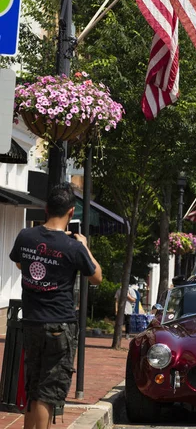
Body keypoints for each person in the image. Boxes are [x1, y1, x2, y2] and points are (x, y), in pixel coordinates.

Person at [9, 182, 102, 429]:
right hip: (59, 324)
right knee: (48, 392)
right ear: (72, 212)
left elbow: (20, 264)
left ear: (46, 208)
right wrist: (85, 247)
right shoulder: (72, 246)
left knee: (34, 386)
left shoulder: (25, 236)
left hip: (31, 322)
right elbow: (97, 277)